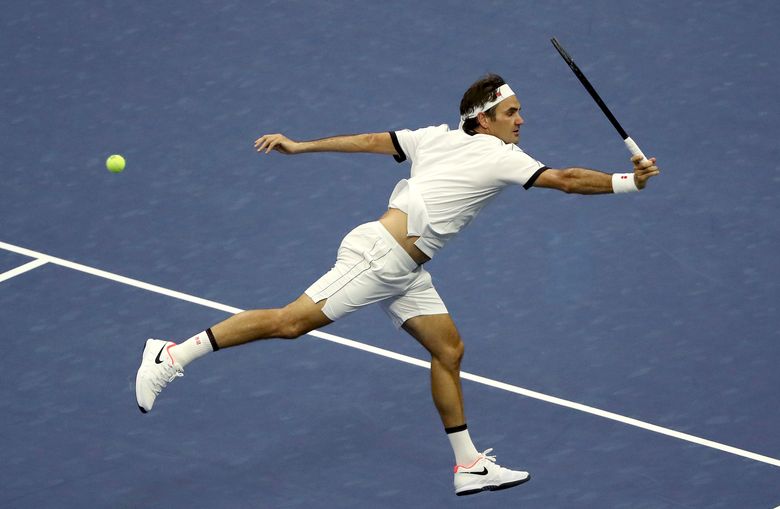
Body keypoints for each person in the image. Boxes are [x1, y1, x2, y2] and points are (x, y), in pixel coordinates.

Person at [135, 73, 660, 496]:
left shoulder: (436, 137)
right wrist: (627, 182)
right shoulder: (500, 154)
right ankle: (172, 355)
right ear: (482, 119)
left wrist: (302, 147)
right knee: (291, 323)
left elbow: (370, 141)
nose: (521, 120)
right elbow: (566, 180)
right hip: (380, 258)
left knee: (448, 348)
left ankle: (469, 466)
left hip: (403, 269)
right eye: (511, 113)